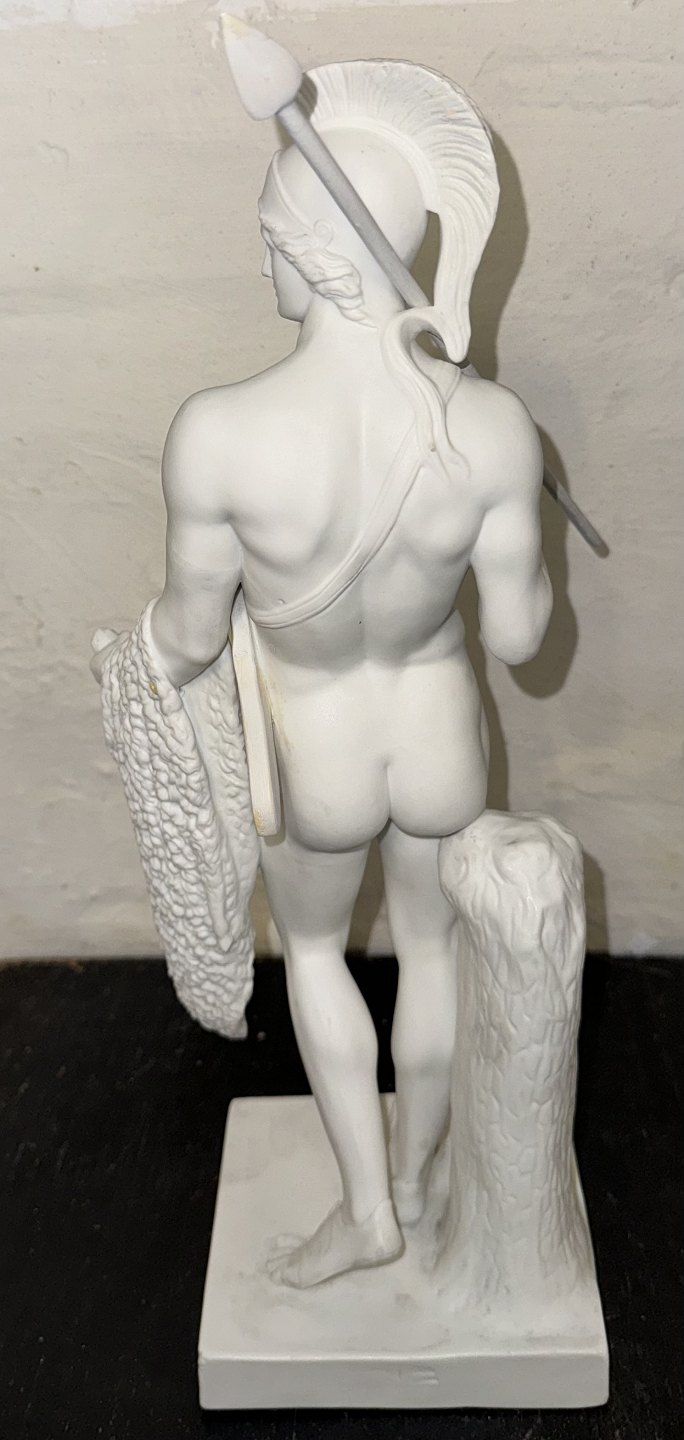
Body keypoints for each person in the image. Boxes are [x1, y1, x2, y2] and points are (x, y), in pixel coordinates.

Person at [98, 62, 552, 1287]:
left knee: (313, 954)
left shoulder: (219, 434)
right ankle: (420, 1174)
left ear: (327, 256)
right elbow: (521, 640)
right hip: (438, 724)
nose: (264, 264)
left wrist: (133, 665)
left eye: (274, 239)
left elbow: (190, 636)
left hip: (316, 748)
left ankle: (370, 1211)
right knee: (434, 952)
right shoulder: (493, 428)